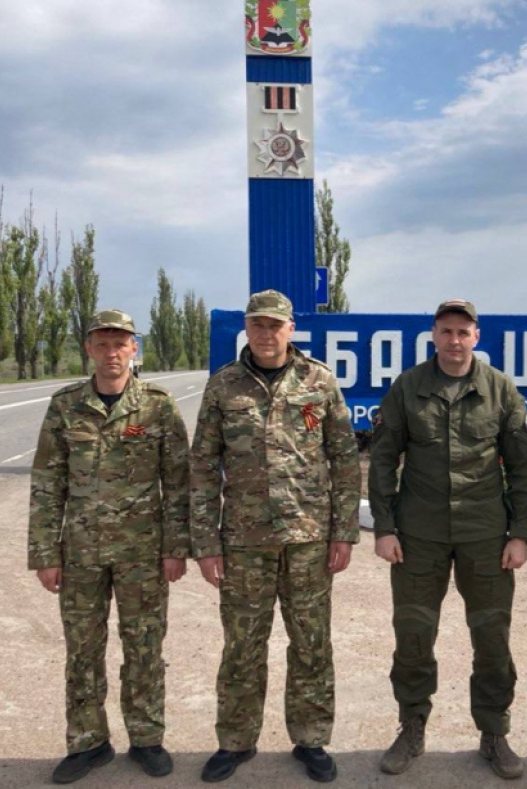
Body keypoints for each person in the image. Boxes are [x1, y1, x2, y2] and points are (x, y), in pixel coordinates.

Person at [191, 290, 361, 784]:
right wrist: (206, 542)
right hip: (244, 542)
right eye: (258, 325)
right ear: (247, 328)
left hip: (309, 538)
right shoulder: (224, 386)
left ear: (291, 329)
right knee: (242, 646)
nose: (266, 334)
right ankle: (235, 741)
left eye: (275, 325)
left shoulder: (319, 381)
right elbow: (203, 466)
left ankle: (311, 738)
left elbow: (344, 459)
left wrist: (344, 531)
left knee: (311, 643)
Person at [368, 298, 527, 780]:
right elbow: (383, 460)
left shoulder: (500, 389)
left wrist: (519, 534)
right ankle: (412, 726)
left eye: (463, 332)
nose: (455, 340)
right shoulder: (408, 387)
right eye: (446, 331)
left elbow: (522, 468)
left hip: (485, 535)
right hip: (418, 534)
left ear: (476, 337)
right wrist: (385, 527)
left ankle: (494, 731)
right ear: (434, 336)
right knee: (413, 634)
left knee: (492, 635)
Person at [28, 309, 191, 784]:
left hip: (143, 553)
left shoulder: (157, 406)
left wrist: (176, 547)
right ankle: (88, 743)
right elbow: (47, 483)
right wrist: (45, 554)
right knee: (82, 649)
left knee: (144, 646)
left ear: (134, 348)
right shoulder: (66, 406)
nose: (112, 352)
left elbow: (178, 482)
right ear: (88, 349)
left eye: (120, 343)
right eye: (102, 343)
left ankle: (147, 738)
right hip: (81, 553)